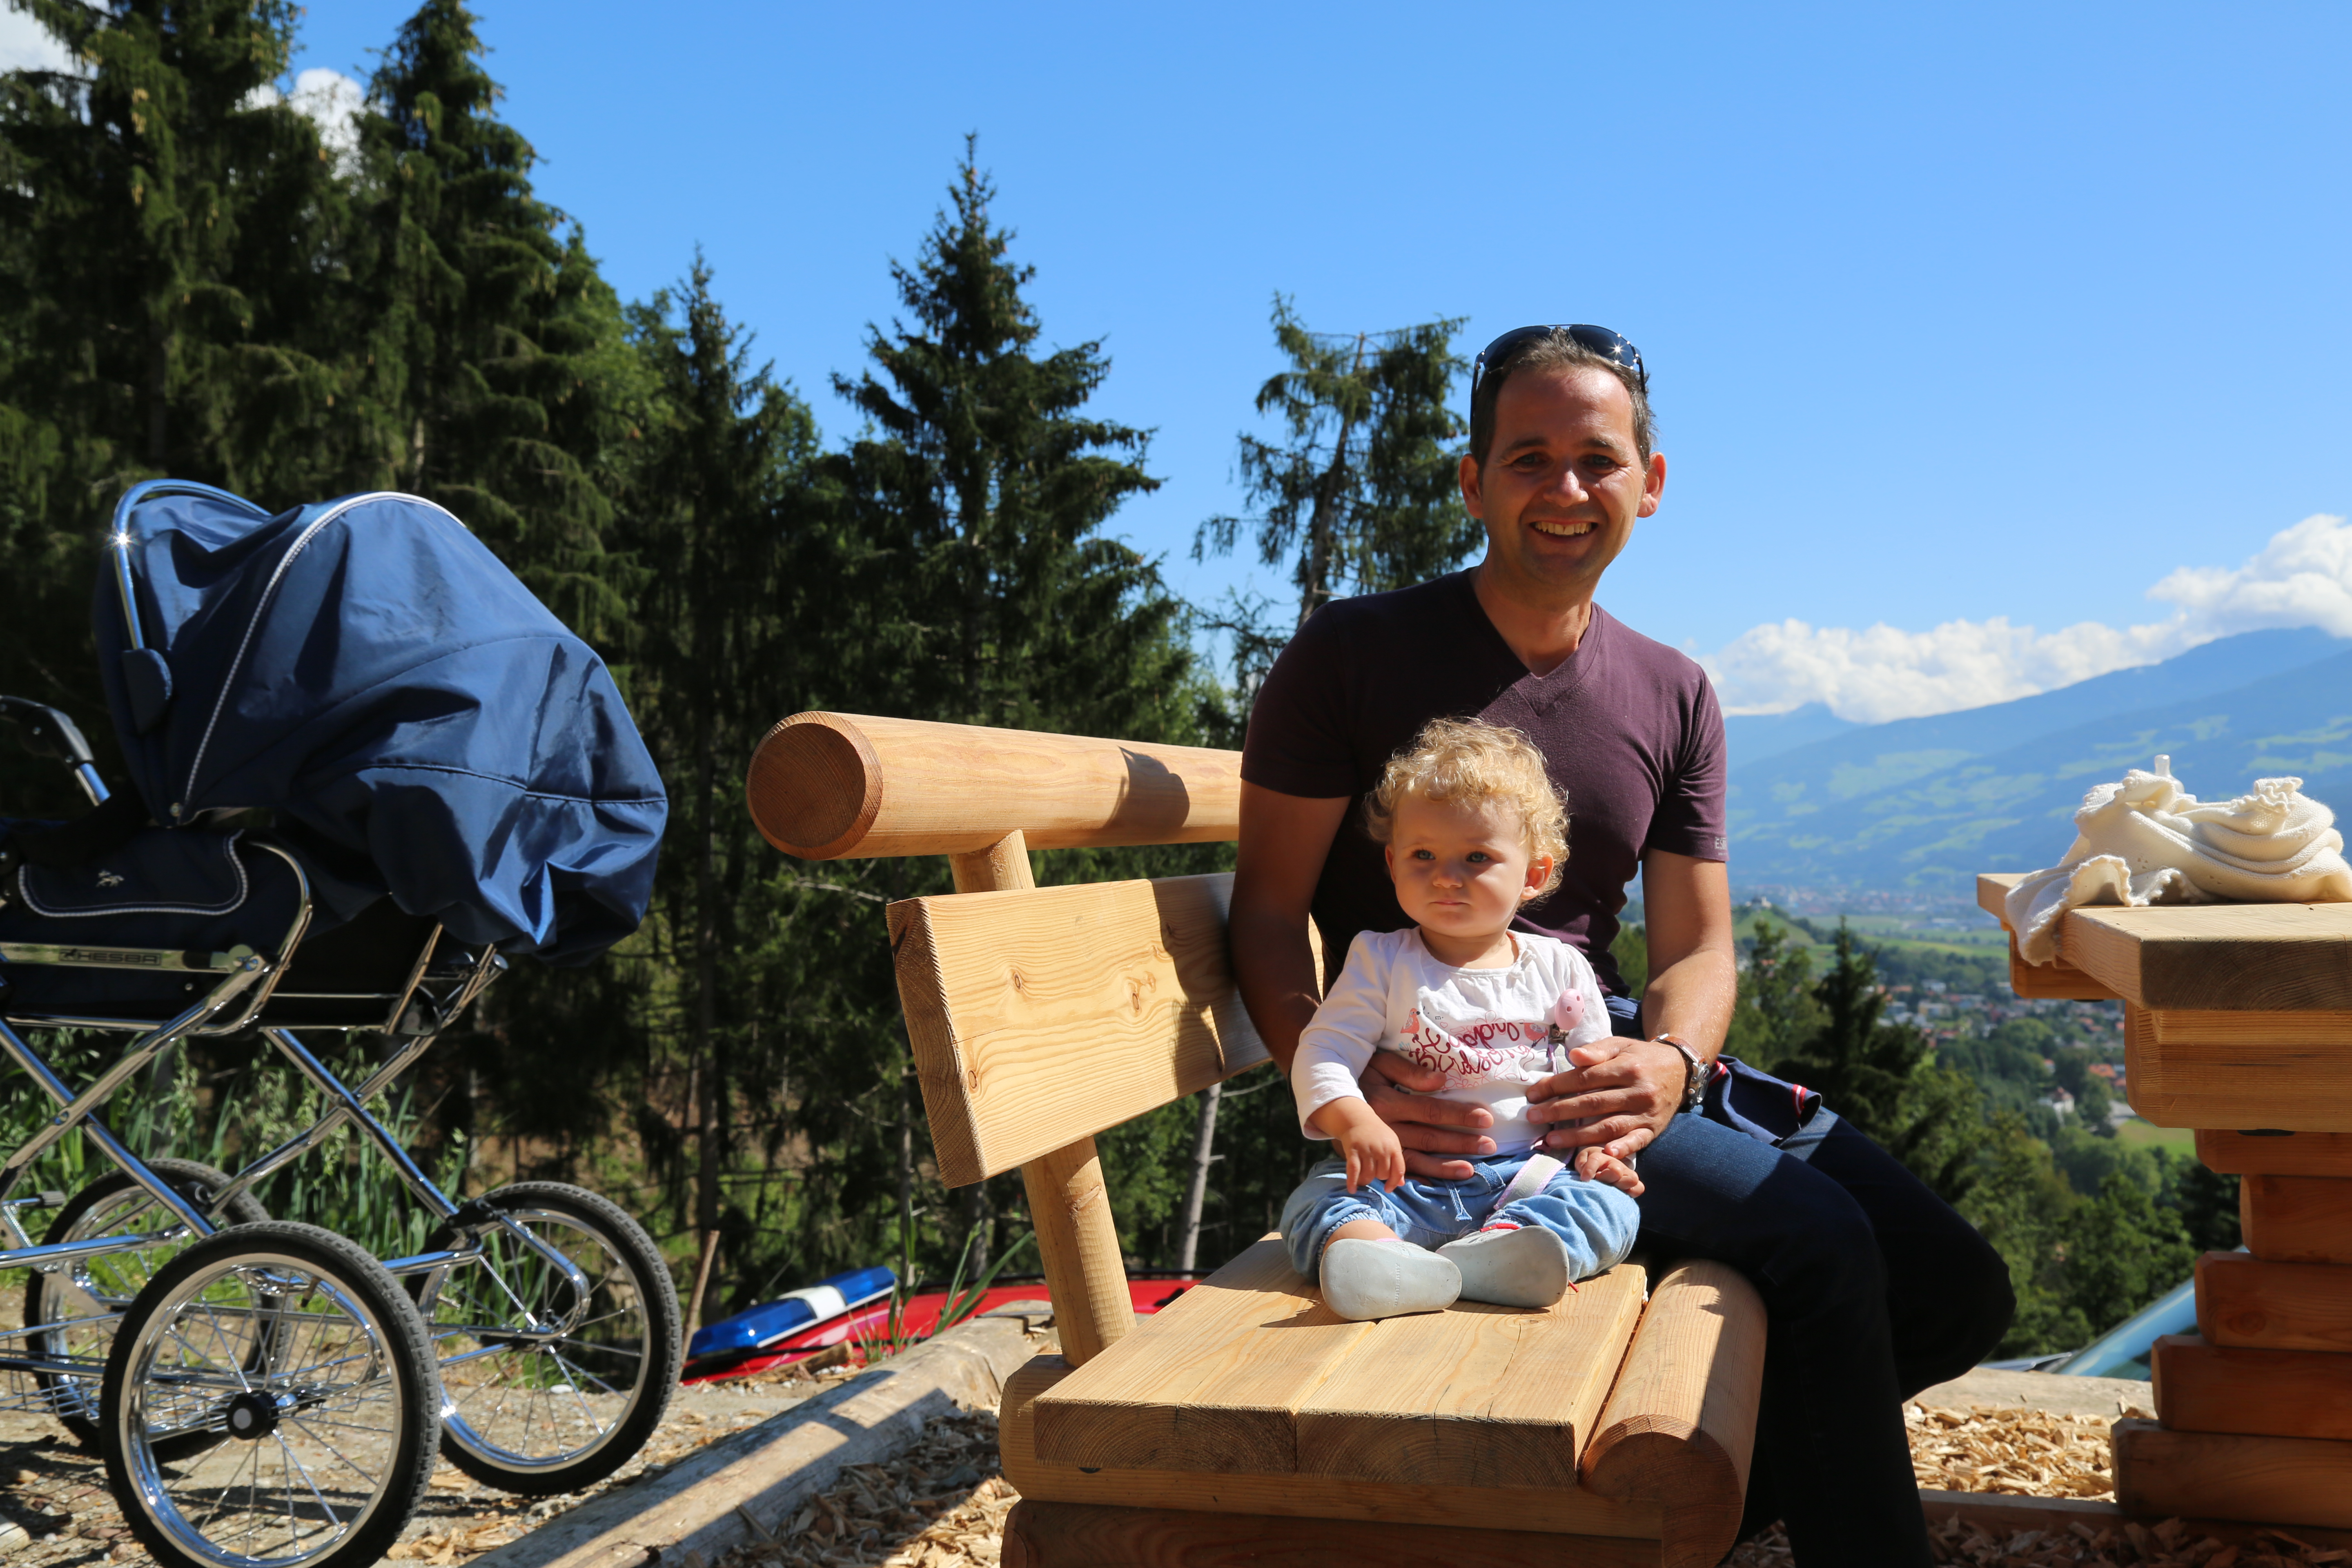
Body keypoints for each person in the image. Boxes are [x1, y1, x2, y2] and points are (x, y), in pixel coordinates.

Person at [1229, 324, 2014, 1568]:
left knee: (1961, 1288)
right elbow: (1267, 911)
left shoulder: (1674, 690)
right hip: (1468, 1102)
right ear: (1471, 480)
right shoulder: (1356, 653)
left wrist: (1674, 1069)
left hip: (1617, 1071)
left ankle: (1655, 1525)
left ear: (1651, 483)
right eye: (1528, 457)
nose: (1565, 490)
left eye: (1597, 459)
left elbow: (1698, 949)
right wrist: (1335, 1086)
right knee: (1821, 1245)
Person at [1281, 717, 1642, 1322]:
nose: (1446, 875)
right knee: (1318, 1203)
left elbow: (1594, 1080)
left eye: (1477, 857)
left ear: (1533, 875)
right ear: (1393, 863)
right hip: (1402, 1179)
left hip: (1530, 1180)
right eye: (1424, 855)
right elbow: (1324, 1052)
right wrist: (1354, 1122)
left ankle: (1502, 1255)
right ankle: (1378, 1261)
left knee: (1610, 1206)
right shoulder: (1382, 960)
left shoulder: (1561, 968)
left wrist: (1605, 1154)